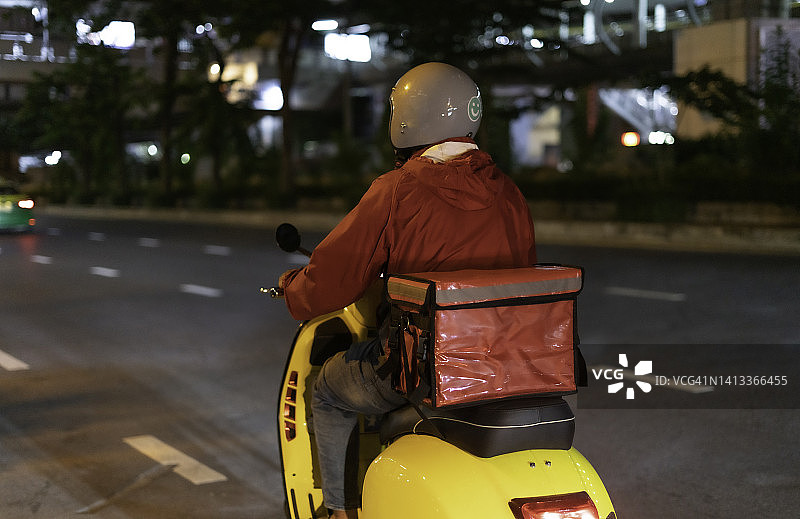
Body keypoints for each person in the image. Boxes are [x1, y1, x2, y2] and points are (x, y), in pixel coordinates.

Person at [279, 62, 537, 519]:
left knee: (327, 390)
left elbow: (332, 278)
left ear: (405, 118)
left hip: (425, 370)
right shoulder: (509, 194)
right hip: (505, 366)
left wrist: (294, 289)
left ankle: (339, 511)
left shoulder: (396, 191)